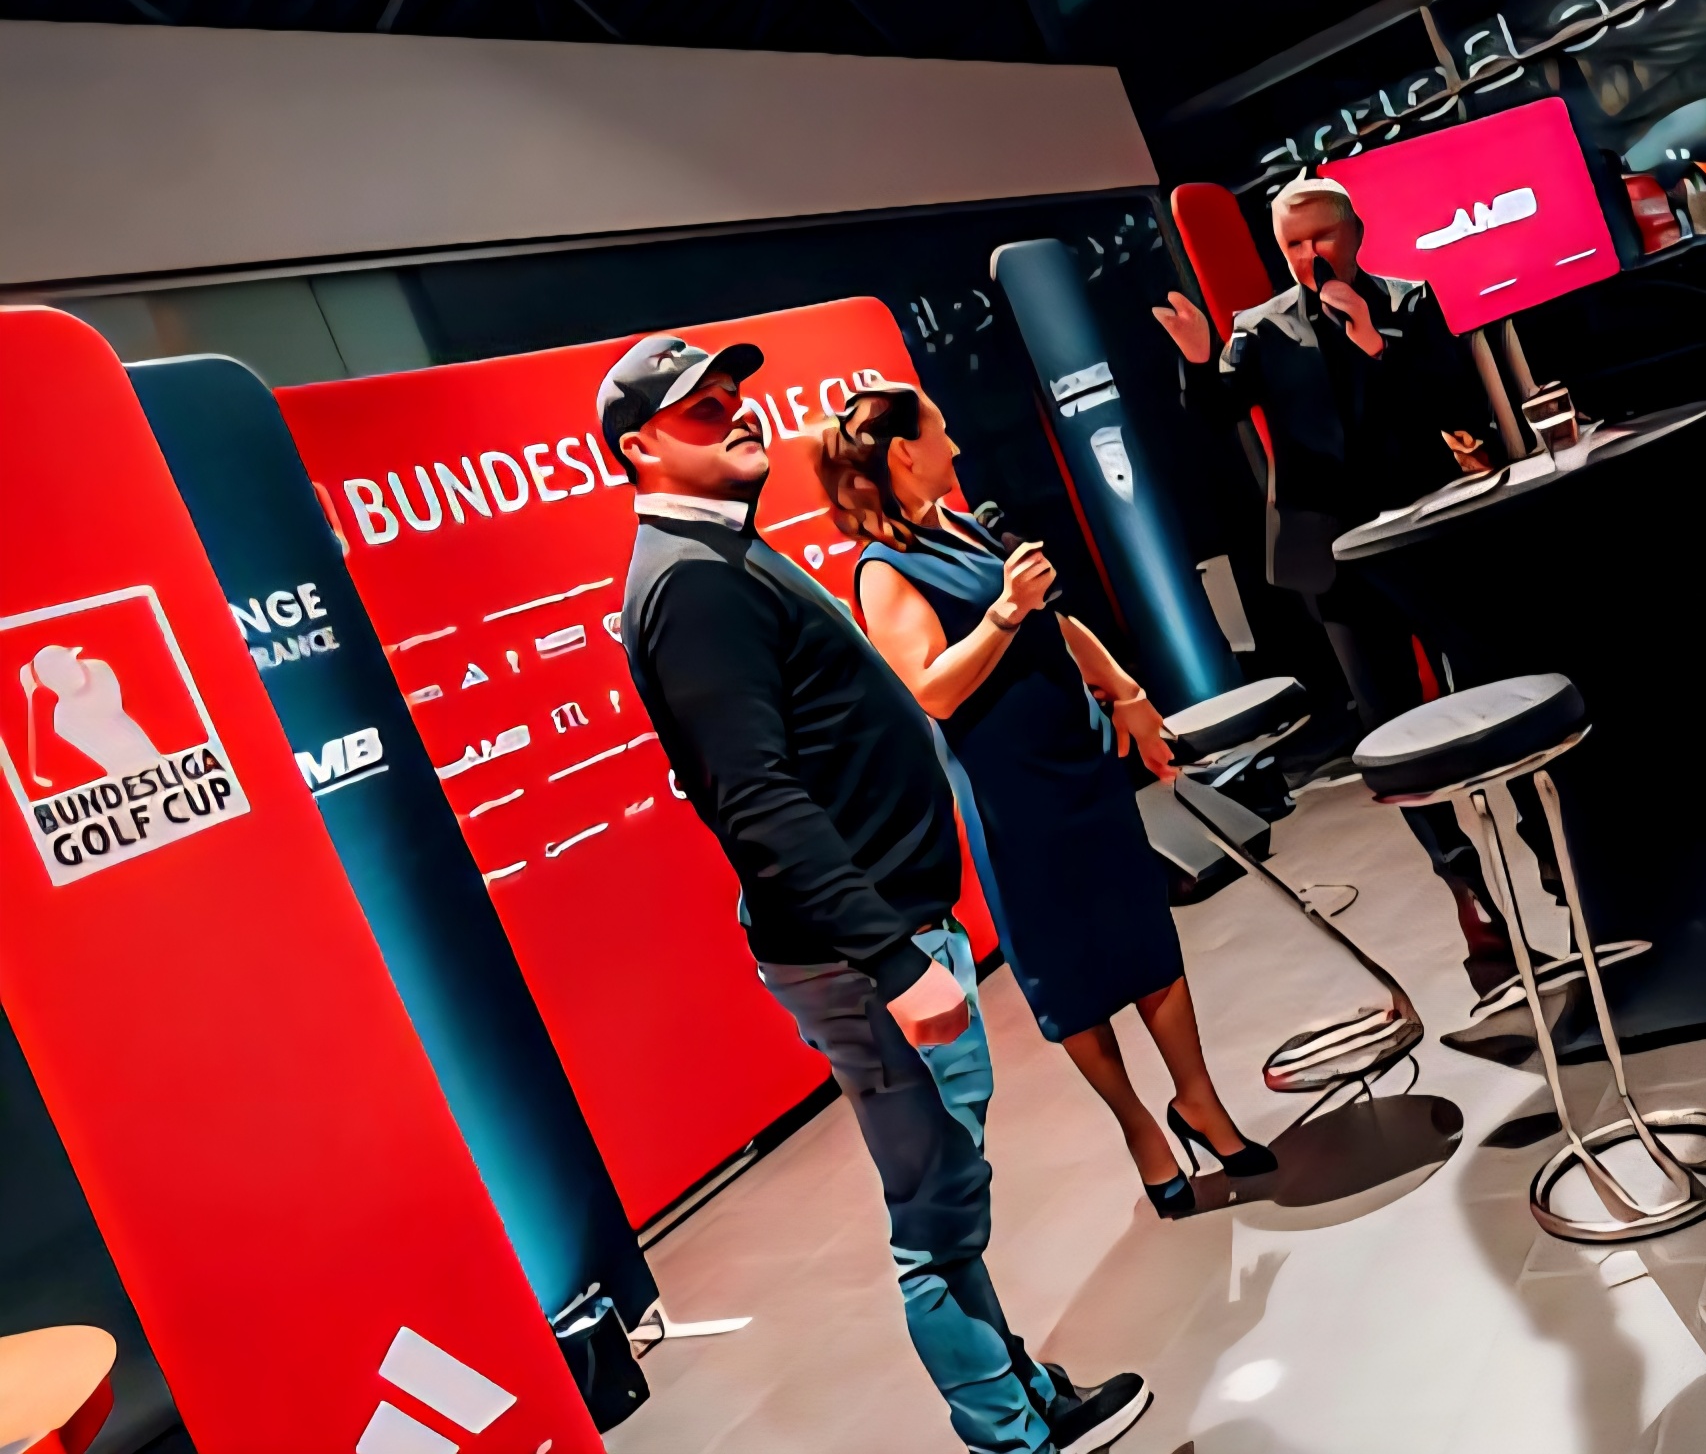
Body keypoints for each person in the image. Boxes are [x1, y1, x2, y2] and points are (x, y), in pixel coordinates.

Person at [603, 335, 1151, 1454]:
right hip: (870, 947)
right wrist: (896, 962)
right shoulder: (693, 581)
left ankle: (1018, 1388)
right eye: (700, 410)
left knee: (948, 1191)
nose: (736, 412)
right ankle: (1009, 1433)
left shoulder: (719, 551)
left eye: (734, 394)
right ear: (640, 449)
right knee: (935, 1215)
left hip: (883, 929)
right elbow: (756, 801)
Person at [817, 376, 1277, 1218]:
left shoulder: (962, 524)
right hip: (1013, 799)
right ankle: (1141, 1129)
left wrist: (1127, 694)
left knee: (1146, 937)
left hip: (1082, 764)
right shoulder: (882, 571)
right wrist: (1002, 612)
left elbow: (1055, 624)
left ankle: (1199, 1100)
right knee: (1070, 977)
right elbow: (932, 690)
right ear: (904, 453)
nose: (956, 446)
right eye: (941, 432)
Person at [1150, 176, 1566, 1046]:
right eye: (1294, 245)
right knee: (1391, 728)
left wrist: (1376, 344)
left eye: (1323, 238)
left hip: (1430, 535)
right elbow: (1216, 412)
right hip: (1333, 558)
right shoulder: (1260, 328)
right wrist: (1194, 359)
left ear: (1356, 233)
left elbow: (1454, 402)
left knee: (1494, 693)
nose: (1311, 257)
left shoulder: (1410, 302)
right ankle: (1470, 897)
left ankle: (1555, 856)